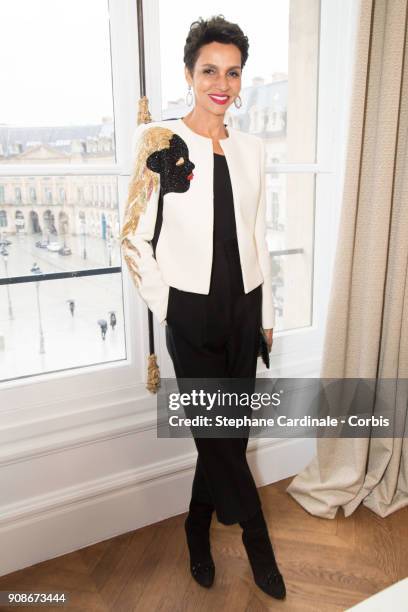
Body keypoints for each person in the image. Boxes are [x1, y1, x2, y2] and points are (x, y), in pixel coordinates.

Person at [120, 14, 286, 601]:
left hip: (244, 311)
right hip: (189, 313)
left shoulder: (253, 149)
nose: (223, 83)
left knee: (226, 436)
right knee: (219, 434)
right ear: (189, 75)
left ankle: (196, 528)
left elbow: (259, 233)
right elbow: (132, 237)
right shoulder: (161, 143)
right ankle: (258, 543)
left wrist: (267, 316)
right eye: (210, 70)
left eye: (234, 72)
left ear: (242, 80)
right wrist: (169, 308)